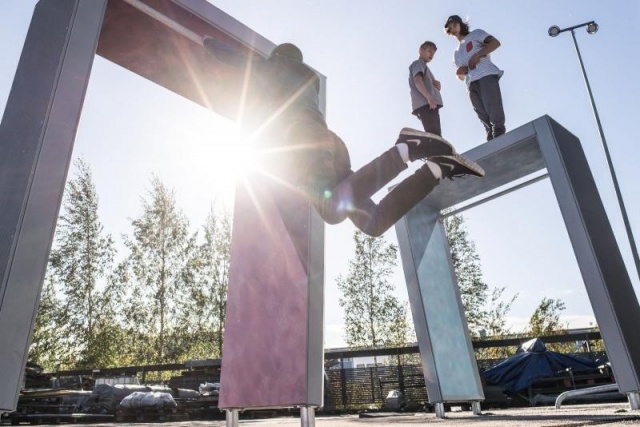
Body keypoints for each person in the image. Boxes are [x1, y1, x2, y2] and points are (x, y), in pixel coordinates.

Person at [203, 38, 484, 237]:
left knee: (332, 211)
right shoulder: (306, 80)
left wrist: (206, 41)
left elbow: (228, 54)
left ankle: (406, 149)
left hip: (305, 141)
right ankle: (438, 169)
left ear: (276, 57)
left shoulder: (269, 68)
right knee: (373, 224)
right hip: (329, 144)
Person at [444, 15, 506, 140]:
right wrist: (459, 73)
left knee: (493, 109)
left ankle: (500, 136)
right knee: (482, 116)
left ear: (461, 24)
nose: (453, 29)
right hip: (470, 84)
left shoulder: (476, 34)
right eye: (450, 28)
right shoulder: (455, 53)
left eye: (455, 25)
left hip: (485, 74)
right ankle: (491, 141)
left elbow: (496, 43)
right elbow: (461, 77)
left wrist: (478, 55)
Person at [409, 41, 443, 136]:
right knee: (434, 135)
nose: (431, 54)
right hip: (427, 104)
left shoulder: (424, 67)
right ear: (421, 51)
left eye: (433, 53)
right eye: (429, 51)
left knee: (435, 135)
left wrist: (436, 88)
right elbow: (417, 80)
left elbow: (422, 81)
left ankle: (437, 150)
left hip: (428, 104)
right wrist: (430, 97)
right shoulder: (419, 63)